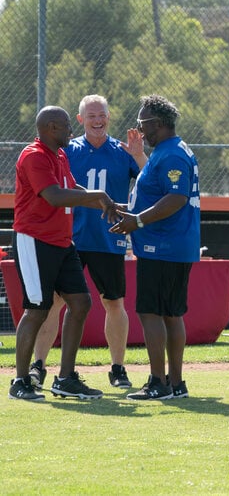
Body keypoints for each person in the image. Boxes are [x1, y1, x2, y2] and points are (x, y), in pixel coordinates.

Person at [28, 95, 147, 391]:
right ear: (80, 120)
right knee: (54, 303)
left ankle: (118, 368)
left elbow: (149, 184)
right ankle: (38, 366)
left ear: (109, 116)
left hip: (109, 240)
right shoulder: (68, 150)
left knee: (114, 302)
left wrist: (139, 156)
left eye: (102, 114)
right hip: (70, 240)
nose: (97, 120)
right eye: (91, 115)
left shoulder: (123, 151)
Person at [9, 106, 116, 401]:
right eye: (68, 125)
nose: (72, 130)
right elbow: (55, 196)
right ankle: (20, 381)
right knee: (37, 310)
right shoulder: (34, 155)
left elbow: (70, 187)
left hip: (62, 242)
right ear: (53, 127)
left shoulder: (59, 154)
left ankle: (66, 378)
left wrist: (106, 204)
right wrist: (96, 196)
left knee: (80, 303)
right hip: (34, 241)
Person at [109, 95, 201, 401]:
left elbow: (176, 198)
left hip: (162, 244)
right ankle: (176, 383)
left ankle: (158, 383)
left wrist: (138, 220)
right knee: (172, 314)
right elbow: (159, 196)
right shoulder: (169, 150)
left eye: (142, 123)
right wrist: (128, 209)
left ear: (159, 124)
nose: (139, 129)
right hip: (171, 244)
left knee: (152, 313)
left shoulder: (171, 154)